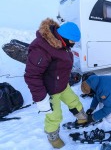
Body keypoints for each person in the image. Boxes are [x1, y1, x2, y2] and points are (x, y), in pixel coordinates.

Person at [24, 18, 87, 149]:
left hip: (62, 85)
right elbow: (32, 76)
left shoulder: (62, 44)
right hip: (50, 91)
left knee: (74, 101)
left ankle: (81, 116)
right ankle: (53, 136)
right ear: (63, 37)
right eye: (72, 41)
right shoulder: (42, 48)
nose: (73, 44)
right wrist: (41, 99)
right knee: (55, 116)